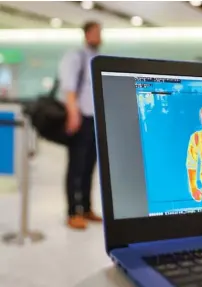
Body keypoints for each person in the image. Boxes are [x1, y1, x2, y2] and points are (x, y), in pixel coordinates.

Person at [58, 21, 102, 229]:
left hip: (94, 119)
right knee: (75, 167)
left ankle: (86, 207)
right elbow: (69, 88)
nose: (99, 36)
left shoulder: (95, 58)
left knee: (89, 167)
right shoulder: (76, 56)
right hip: (80, 118)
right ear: (87, 34)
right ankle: (72, 211)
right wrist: (73, 114)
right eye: (95, 32)